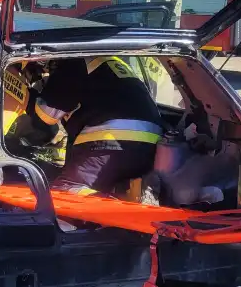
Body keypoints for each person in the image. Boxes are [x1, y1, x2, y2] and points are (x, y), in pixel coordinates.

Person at [20, 57, 163, 196]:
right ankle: (129, 192)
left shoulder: (73, 62)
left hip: (112, 138)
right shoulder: (108, 62)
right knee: (106, 184)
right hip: (152, 144)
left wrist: (23, 92)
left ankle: (121, 204)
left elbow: (47, 115)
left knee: (64, 192)